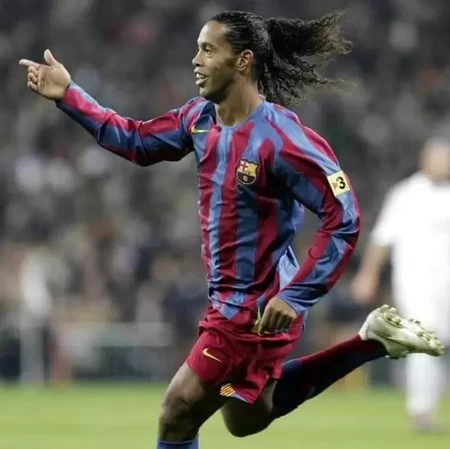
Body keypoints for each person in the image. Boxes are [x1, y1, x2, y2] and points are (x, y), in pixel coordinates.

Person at [20, 10, 444, 448]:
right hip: (231, 301)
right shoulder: (199, 118)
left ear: (243, 61)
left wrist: (296, 295)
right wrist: (69, 94)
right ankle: (370, 342)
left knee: (177, 413)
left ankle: (367, 342)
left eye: (208, 50)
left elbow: (344, 217)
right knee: (245, 416)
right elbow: (137, 141)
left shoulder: (282, 138)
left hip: (254, 308)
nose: (196, 60)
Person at [351, 137, 450, 433]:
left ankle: (429, 404)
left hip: (446, 285)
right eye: (439, 158)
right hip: (416, 282)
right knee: (425, 335)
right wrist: (368, 275)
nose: (443, 163)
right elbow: (382, 239)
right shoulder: (406, 195)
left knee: (440, 342)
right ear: (425, 160)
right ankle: (421, 411)